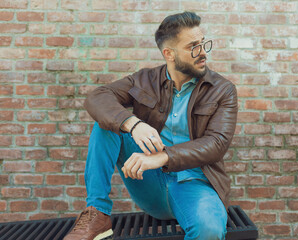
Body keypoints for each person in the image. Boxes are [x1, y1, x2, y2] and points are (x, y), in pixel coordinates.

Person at [64, 11, 238, 240]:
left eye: (204, 43)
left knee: (209, 230)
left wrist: (163, 156)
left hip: (194, 185)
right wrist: (133, 124)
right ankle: (98, 212)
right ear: (169, 54)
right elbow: (97, 97)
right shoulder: (145, 80)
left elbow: (217, 143)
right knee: (106, 125)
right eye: (193, 47)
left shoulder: (222, 89)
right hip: (150, 182)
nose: (203, 52)